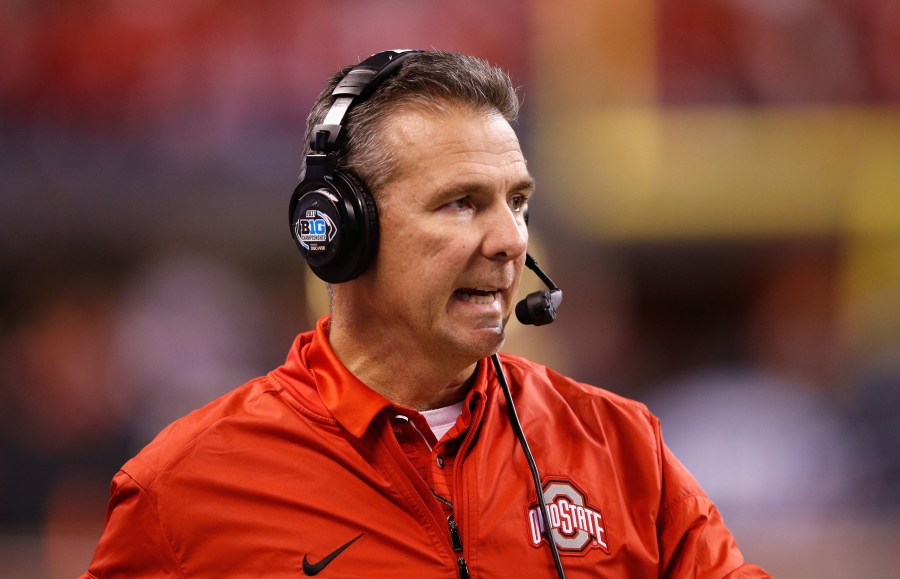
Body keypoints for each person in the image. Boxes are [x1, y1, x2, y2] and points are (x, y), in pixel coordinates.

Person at [82, 50, 770, 578]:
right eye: (461, 202)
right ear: (339, 229)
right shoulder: (183, 488)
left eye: (518, 202)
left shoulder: (621, 448)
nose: (509, 240)